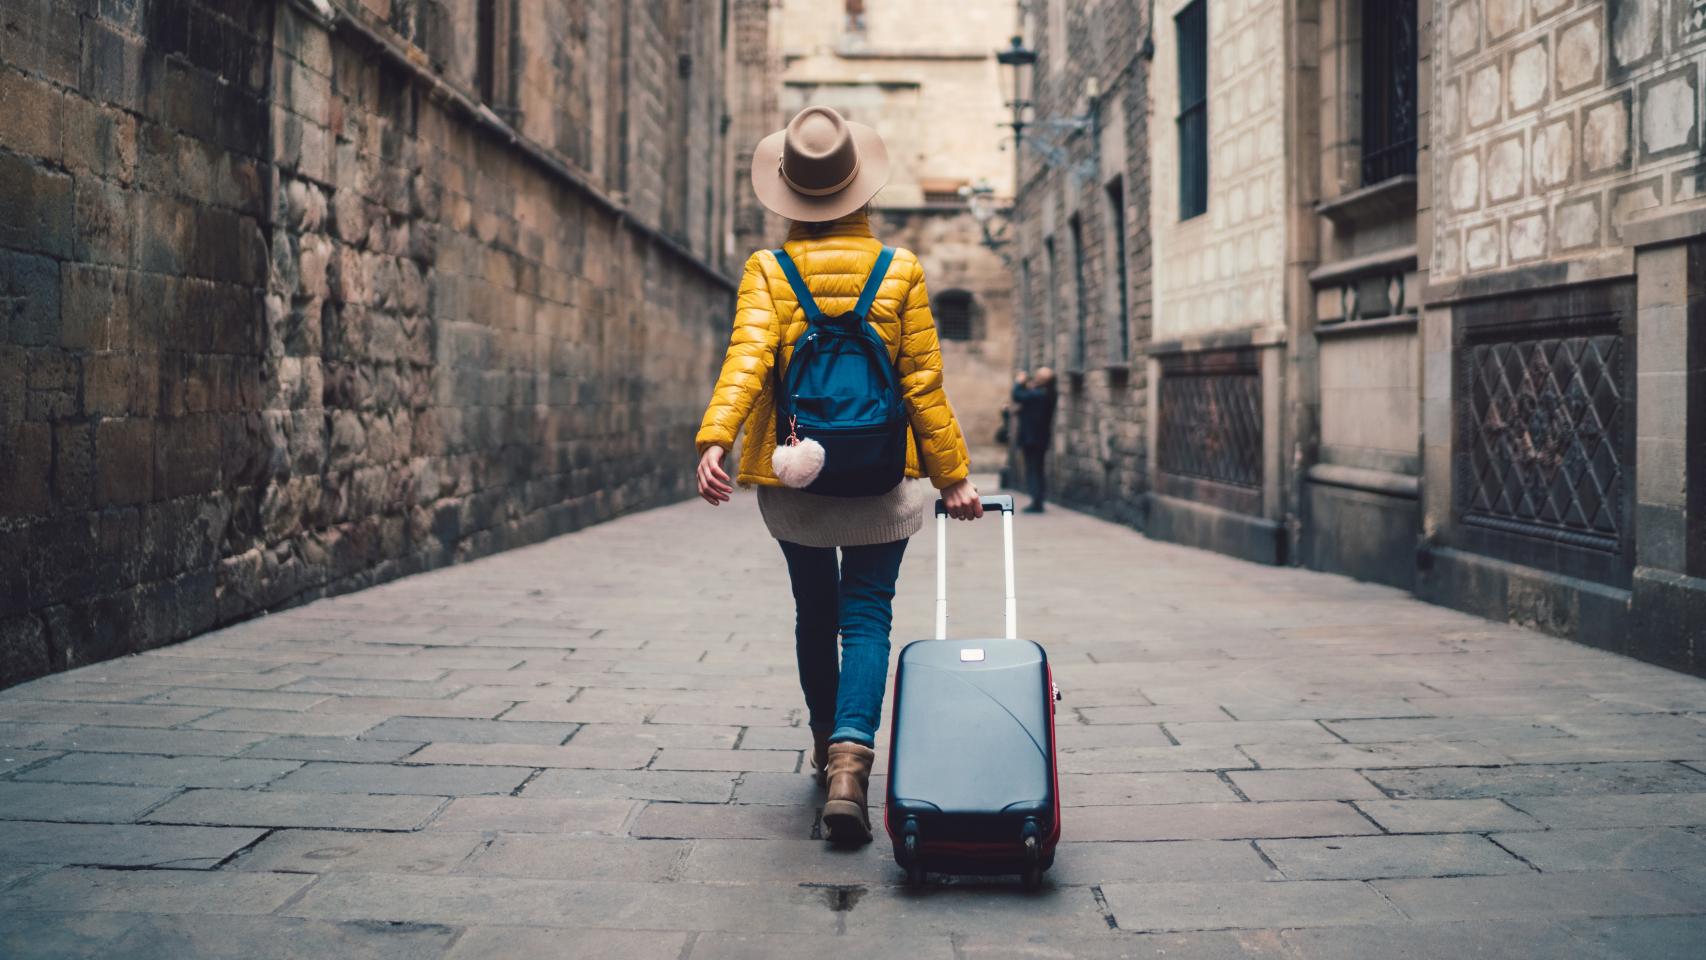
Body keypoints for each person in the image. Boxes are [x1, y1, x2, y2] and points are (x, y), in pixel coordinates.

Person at [693, 106, 983, 844]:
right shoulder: (901, 271)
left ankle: (826, 748)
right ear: (864, 192)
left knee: (814, 614)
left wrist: (716, 438)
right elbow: (921, 383)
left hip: (797, 479)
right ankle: (855, 761)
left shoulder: (768, 271)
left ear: (789, 193)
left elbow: (748, 361)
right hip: (884, 477)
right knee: (868, 614)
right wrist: (952, 477)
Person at [1012, 367, 1057, 513]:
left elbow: (1018, 396)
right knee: (1037, 469)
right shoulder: (1046, 393)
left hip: (1033, 439)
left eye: (1038, 376)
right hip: (1039, 438)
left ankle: (1036, 502)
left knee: (1033, 470)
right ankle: (1037, 500)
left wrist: (1019, 382)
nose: (1035, 378)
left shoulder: (1040, 394)